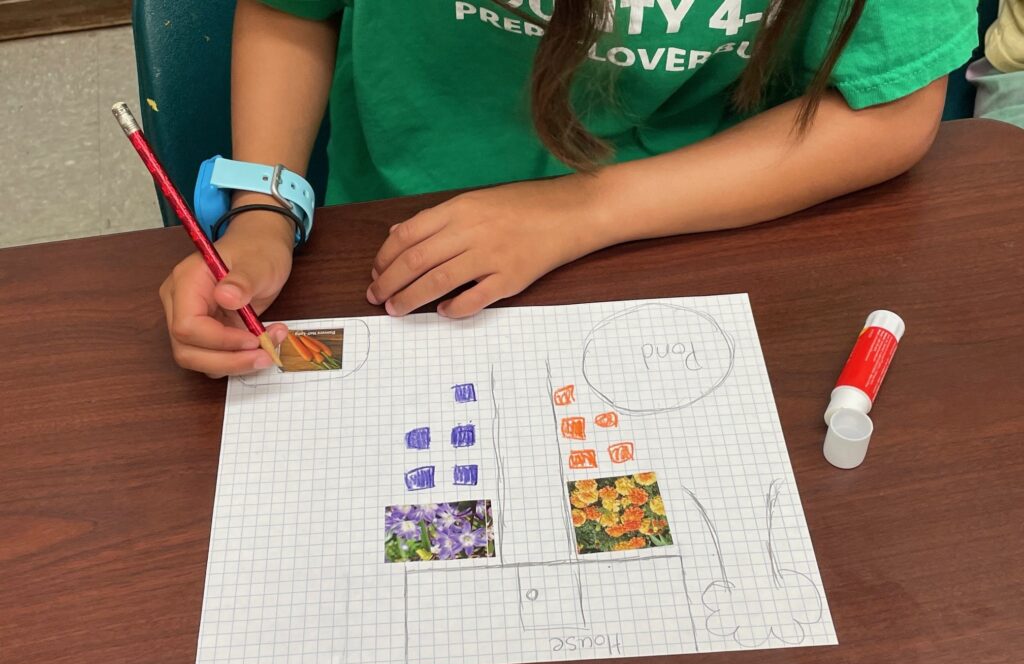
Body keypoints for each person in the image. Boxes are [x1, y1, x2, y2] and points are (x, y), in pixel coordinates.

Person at [159, 0, 977, 377]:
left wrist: (587, 209)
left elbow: (893, 110)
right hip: (401, 229)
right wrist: (263, 208)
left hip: (710, 220)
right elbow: (291, 9)